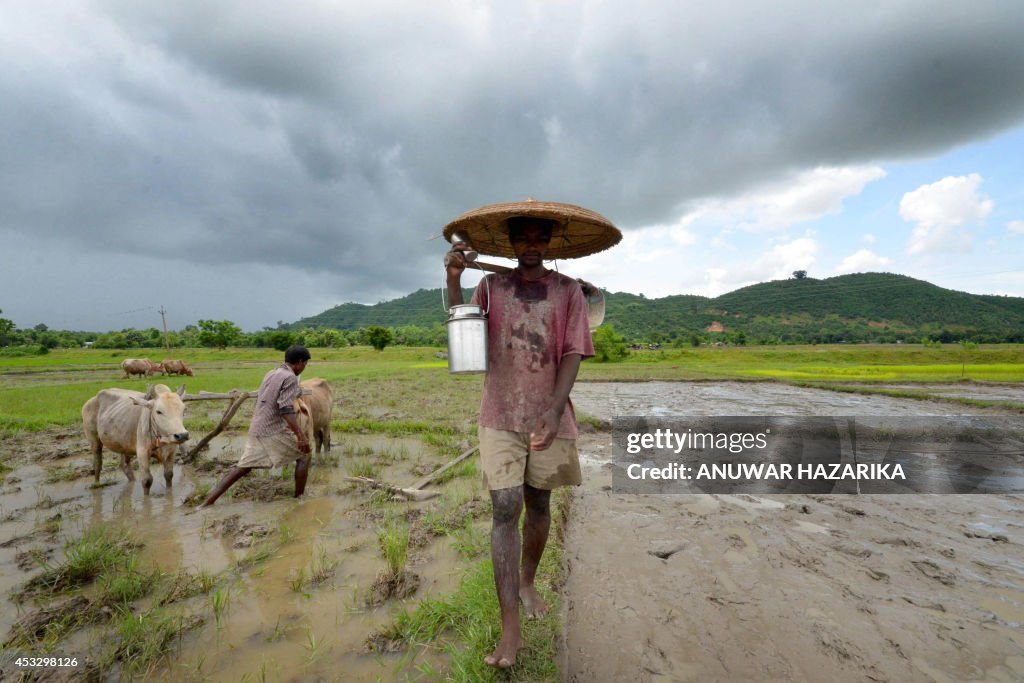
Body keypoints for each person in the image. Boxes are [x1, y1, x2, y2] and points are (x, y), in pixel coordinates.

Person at [445, 216, 595, 669]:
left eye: (540, 236)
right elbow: (462, 326)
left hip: (548, 414)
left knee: (539, 503)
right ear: (509, 242)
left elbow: (573, 352)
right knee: (505, 507)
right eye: (522, 236)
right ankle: (510, 624)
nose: (532, 243)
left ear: (551, 242)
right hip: (499, 413)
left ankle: (527, 580)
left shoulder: (569, 291)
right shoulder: (491, 286)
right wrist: (453, 280)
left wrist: (552, 410)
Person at [201, 345, 313, 507]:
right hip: (272, 429)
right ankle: (299, 500)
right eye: (305, 364)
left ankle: (207, 503)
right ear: (300, 362)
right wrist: (300, 436)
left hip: (257, 427)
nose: (304, 368)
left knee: (243, 468)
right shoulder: (289, 378)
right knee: (304, 456)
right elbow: (286, 408)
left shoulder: (271, 373)